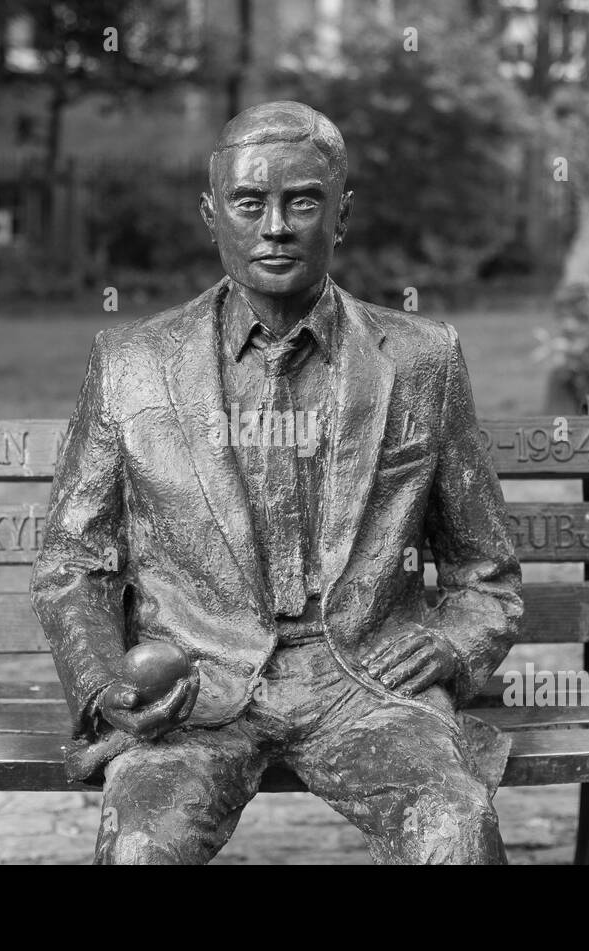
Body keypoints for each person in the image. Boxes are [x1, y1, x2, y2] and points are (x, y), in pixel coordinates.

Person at [31, 101, 523, 864]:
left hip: (365, 685)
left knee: (455, 830)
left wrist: (453, 644)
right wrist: (105, 686)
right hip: (197, 689)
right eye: (249, 202)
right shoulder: (131, 364)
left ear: (342, 214)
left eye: (302, 200)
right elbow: (73, 564)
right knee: (140, 851)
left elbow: (486, 573)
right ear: (211, 213)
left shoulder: (422, 359)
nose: (276, 226)